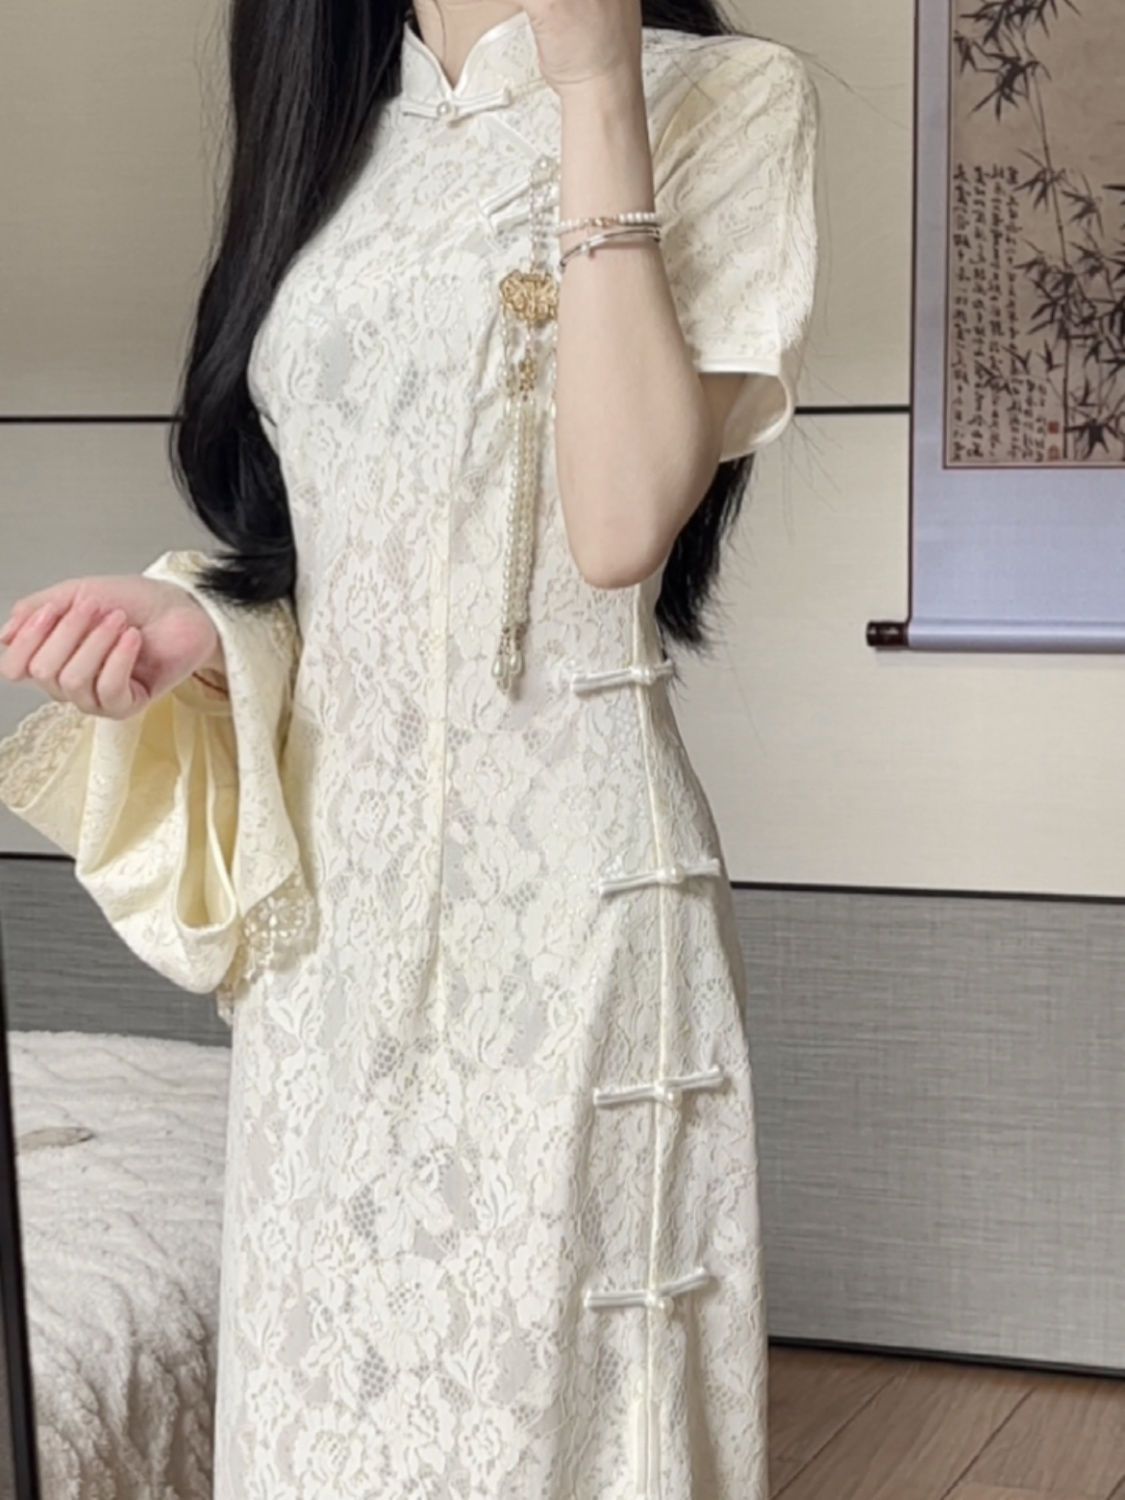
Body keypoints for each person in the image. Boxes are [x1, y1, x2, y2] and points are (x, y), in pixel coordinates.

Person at [0, 0, 818, 1493]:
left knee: (548, 1433)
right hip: (332, 945)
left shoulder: (724, 98)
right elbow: (345, 553)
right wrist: (209, 622)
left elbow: (619, 525)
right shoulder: (329, 124)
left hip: (569, 924)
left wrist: (595, 82)